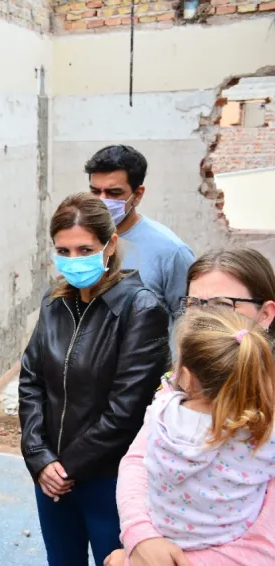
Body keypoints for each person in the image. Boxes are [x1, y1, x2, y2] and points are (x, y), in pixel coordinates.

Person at [19, 192, 171, 566]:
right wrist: (39, 456)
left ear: (110, 245)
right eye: (64, 251)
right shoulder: (55, 301)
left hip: (108, 479)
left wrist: (65, 468)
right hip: (51, 477)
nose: (73, 260)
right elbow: (31, 381)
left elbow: (127, 410)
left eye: (85, 249)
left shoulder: (141, 308)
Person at [108, 248, 275, 566]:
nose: (202, 319)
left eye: (223, 305)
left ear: (265, 314)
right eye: (194, 304)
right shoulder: (181, 383)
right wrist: (140, 535)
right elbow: (138, 460)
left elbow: (265, 547)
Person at [143, 308, 275, 550]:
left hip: (162, 540)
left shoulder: (160, 413)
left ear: (186, 377)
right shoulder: (262, 432)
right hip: (229, 546)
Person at [86, 145, 194, 322]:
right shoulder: (78, 242)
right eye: (95, 191)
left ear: (138, 194)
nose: (102, 201)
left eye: (114, 193)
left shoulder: (171, 251)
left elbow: (189, 321)